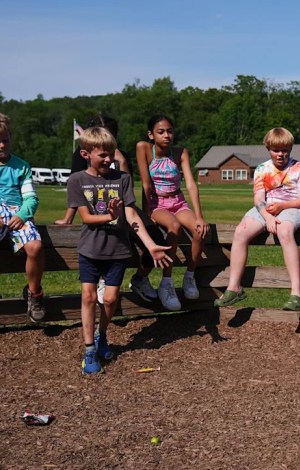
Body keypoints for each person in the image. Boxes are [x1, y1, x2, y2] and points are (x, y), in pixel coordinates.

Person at [66, 127, 172, 375]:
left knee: (111, 299)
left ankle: (102, 335)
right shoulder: (77, 181)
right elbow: (86, 217)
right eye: (102, 155)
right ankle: (89, 349)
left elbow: (132, 215)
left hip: (118, 251)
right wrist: (109, 215)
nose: (108, 159)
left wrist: (150, 245)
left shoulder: (122, 179)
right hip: (90, 250)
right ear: (85, 154)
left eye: (111, 154)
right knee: (89, 297)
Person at [55, 114, 162, 305]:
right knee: (112, 235)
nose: (108, 154)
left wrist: (119, 159)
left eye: (111, 136)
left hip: (122, 205)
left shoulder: (118, 156)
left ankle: (139, 278)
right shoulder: (81, 157)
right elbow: (76, 190)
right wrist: (67, 218)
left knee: (155, 236)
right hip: (97, 209)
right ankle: (105, 279)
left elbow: (125, 187)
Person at [214, 127, 300, 311]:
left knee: (284, 231)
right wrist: (267, 216)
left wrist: (282, 207)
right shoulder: (262, 169)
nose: (281, 154)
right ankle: (234, 287)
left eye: (285, 150)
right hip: (266, 208)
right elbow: (259, 198)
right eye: (276, 150)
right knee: (240, 232)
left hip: (292, 207)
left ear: (290, 149)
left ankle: (296, 294)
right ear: (268, 148)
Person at [0, 110, 46, 322]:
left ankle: (34, 294)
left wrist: (24, 214)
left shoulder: (21, 166)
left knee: (35, 246)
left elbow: (31, 198)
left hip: (16, 212)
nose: (2, 146)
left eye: (6, 140)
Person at [135, 115, 209, 311]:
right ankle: (166, 283)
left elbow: (191, 185)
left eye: (169, 131)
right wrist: (145, 215)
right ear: (151, 134)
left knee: (199, 230)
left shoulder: (180, 152)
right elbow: (145, 184)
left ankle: (189, 277)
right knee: (173, 227)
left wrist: (200, 216)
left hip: (178, 201)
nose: (167, 135)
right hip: (157, 203)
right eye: (161, 132)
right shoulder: (143, 148)